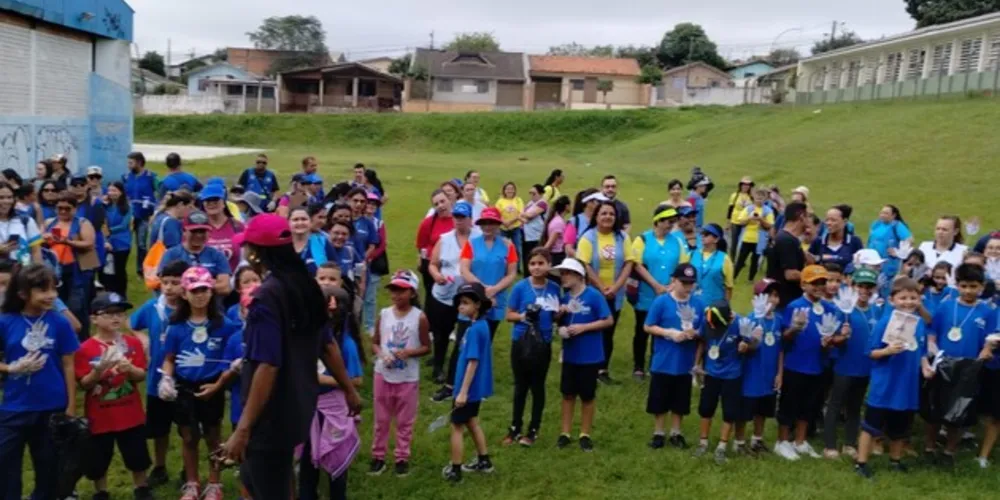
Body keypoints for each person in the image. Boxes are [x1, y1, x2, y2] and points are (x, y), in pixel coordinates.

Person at [223, 214, 362, 500]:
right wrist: (349, 390)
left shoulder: (266, 299)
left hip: (268, 414)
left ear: (257, 254)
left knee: (266, 484)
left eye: (248, 248)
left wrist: (244, 428)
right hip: (299, 404)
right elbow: (328, 345)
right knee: (271, 478)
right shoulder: (308, 288)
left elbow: (268, 365)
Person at [157, 266, 241, 500]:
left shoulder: (223, 324)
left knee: (213, 435)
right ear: (184, 294)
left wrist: (230, 370)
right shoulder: (176, 327)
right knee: (188, 436)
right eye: (194, 291)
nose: (200, 295)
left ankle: (214, 483)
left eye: (204, 290)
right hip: (185, 386)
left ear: (212, 292)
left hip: (212, 384)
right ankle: (192, 482)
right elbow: (169, 359)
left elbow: (237, 345)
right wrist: (166, 378)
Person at [0, 264, 78, 500]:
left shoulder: (60, 322)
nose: (51, 295)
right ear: (23, 294)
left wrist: (71, 407)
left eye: (54, 289)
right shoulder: (5, 321)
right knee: (5, 466)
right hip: (14, 408)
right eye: (43, 290)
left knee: (49, 468)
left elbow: (68, 364)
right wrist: (10, 367)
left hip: (51, 407)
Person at [75, 292, 153, 500]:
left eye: (120, 313)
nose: (116, 318)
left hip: (131, 414)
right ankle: (101, 491)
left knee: (137, 454)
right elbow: (84, 384)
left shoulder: (132, 344)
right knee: (98, 458)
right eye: (109, 314)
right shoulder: (85, 349)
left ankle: (142, 486)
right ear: (94, 319)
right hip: (100, 417)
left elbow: (141, 375)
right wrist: (98, 370)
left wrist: (129, 369)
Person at [853, 278, 933, 479]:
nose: (908, 302)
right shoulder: (885, 323)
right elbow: (870, 353)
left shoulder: (919, 324)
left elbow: (922, 351)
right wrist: (887, 350)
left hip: (908, 385)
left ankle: (895, 460)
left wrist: (925, 367)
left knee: (901, 426)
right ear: (892, 300)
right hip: (886, 384)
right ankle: (861, 462)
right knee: (871, 425)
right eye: (903, 298)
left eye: (913, 298)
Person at [774, 265, 849, 461]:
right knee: (789, 405)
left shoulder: (829, 308)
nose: (819, 286)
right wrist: (795, 328)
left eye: (822, 282)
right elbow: (784, 337)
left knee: (810, 406)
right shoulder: (794, 306)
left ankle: (800, 441)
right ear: (803, 284)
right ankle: (782, 442)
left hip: (818, 364)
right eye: (814, 283)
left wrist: (834, 340)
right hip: (795, 364)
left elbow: (833, 337)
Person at [299, 286, 364, 499]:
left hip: (333, 409)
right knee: (308, 463)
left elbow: (356, 380)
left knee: (336, 462)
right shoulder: (308, 339)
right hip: (309, 407)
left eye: (336, 304)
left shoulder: (346, 345)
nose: (332, 307)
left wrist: (319, 378)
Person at [925, 263, 995, 463]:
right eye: (963, 286)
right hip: (943, 363)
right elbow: (932, 331)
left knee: (959, 410)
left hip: (968, 368)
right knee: (935, 408)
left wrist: (986, 350)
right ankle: (930, 446)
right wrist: (932, 347)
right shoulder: (946, 305)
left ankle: (950, 450)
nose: (968, 291)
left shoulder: (987, 311)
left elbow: (990, 338)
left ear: (981, 287)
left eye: (973, 286)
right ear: (956, 285)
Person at [130, 259, 189, 487]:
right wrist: (142, 337)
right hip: (157, 378)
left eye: (175, 283)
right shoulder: (153, 307)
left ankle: (187, 467)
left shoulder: (190, 308)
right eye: (165, 282)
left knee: (187, 428)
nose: (169, 288)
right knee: (159, 428)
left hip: (184, 377)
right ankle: (160, 465)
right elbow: (132, 323)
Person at [370, 270, 430, 476]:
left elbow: (426, 346)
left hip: (407, 378)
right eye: (393, 290)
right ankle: (378, 456)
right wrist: (381, 355)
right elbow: (375, 343)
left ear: (412, 293)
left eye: (402, 291)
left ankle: (402, 457)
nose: (396, 295)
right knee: (381, 419)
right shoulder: (384, 314)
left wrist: (409, 352)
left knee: (405, 421)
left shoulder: (419, 317)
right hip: (383, 374)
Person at [503, 248, 561, 446]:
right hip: (521, 340)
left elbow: (555, 314)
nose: (536, 267)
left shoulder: (554, 288)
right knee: (520, 386)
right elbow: (508, 314)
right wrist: (522, 316)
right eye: (532, 264)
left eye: (541, 263)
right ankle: (515, 427)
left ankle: (533, 428)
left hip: (542, 342)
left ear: (549, 265)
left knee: (537, 386)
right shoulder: (520, 288)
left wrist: (559, 313)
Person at [554, 258, 613, 452]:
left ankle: (585, 433)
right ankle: (565, 432)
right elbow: (559, 322)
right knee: (567, 393)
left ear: (579, 276)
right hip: (571, 354)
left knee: (587, 395)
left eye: (567, 274)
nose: (563, 278)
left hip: (590, 354)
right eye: (562, 274)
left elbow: (607, 320)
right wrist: (561, 328)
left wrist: (584, 327)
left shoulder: (594, 296)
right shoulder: (564, 298)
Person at [643, 263, 704, 450]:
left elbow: (703, 328)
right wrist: (668, 333)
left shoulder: (698, 303)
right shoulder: (662, 302)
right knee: (660, 397)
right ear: (674, 281)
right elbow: (648, 325)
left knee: (680, 399)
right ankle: (659, 432)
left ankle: (676, 432)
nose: (687, 287)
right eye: (683, 282)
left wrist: (694, 333)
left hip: (684, 360)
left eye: (691, 283)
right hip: (664, 359)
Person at [823, 268, 881, 460]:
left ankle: (849, 443)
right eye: (860, 286)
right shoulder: (843, 309)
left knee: (855, 406)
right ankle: (830, 445)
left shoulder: (876, 310)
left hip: (865, 367)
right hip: (845, 366)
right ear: (852, 286)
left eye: (869, 287)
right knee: (836, 403)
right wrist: (843, 336)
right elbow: (832, 340)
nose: (864, 290)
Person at [575, 200, 635, 384]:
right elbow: (585, 265)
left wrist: (615, 288)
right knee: (592, 331)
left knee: (608, 332)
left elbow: (629, 262)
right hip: (594, 293)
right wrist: (601, 287)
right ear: (596, 217)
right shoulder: (588, 237)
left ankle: (603, 370)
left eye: (611, 214)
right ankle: (587, 368)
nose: (608, 217)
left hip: (615, 293)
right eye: (604, 213)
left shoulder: (622, 238)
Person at [442, 282, 495, 482]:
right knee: (472, 422)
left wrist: (462, 392)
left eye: (465, 303)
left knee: (456, 426)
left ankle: (455, 470)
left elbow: (473, 362)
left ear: (478, 304)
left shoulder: (474, 331)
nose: (460, 307)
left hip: (467, 389)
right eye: (459, 303)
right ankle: (484, 460)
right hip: (474, 389)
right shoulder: (480, 326)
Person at [631, 205, 688, 380]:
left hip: (668, 294)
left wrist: (671, 285)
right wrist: (655, 284)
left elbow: (682, 264)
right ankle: (638, 366)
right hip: (646, 294)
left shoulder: (677, 241)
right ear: (658, 221)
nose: (672, 225)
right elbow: (636, 263)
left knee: (662, 330)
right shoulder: (642, 240)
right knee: (642, 330)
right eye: (669, 222)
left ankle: (656, 364)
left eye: (674, 222)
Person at [693, 300, 751, 464]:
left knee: (729, 411)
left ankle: (722, 446)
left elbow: (751, 343)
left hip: (732, 374)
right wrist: (696, 364)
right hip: (711, 372)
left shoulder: (741, 323)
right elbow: (703, 342)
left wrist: (745, 345)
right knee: (706, 408)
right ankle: (703, 443)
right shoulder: (707, 320)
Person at [427, 202, 478, 386]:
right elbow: (432, 263)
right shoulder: (445, 239)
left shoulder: (478, 238)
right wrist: (436, 275)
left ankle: (462, 368)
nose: (458, 220)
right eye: (456, 216)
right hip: (445, 293)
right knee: (442, 332)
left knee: (465, 333)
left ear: (470, 219)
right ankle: (438, 366)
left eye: (462, 217)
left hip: (468, 295)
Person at [736, 279, 784, 455]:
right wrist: (751, 343)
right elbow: (742, 348)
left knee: (763, 409)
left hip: (769, 374)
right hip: (751, 374)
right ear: (757, 298)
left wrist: (780, 373)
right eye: (768, 295)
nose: (772, 299)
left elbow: (780, 350)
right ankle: (739, 442)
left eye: (775, 295)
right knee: (745, 411)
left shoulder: (778, 320)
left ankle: (757, 439)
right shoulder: (750, 319)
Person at [44, 192, 98, 340]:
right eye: (59, 208)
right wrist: (44, 238)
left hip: (76, 270)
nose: (62, 211)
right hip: (54, 270)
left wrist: (67, 242)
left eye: (67, 208)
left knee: (77, 307)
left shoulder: (82, 223)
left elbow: (89, 243)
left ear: (74, 209)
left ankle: (83, 339)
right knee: (56, 305)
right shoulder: (50, 222)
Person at [459, 207, 518, 341]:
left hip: (496, 299)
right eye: (484, 222)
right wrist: (482, 289)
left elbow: (511, 273)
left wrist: (495, 289)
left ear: (498, 224)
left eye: (491, 222)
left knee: (486, 339)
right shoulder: (471, 244)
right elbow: (464, 269)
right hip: (472, 297)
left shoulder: (508, 246)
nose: (487, 226)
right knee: (464, 341)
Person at [158, 210, 232, 296]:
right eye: (194, 231)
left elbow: (225, 288)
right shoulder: (171, 254)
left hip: (211, 306)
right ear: (184, 231)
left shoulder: (217, 255)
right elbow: (165, 286)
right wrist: (209, 282)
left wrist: (184, 284)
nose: (199, 235)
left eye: (202, 231)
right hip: (178, 305)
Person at [767, 202, 809, 308]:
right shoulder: (787, 240)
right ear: (801, 216)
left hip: (779, 296)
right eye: (807, 216)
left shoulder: (782, 237)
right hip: (787, 299)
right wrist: (813, 277)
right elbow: (790, 274)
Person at [416, 189, 455, 300]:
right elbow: (421, 245)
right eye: (436, 204)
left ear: (450, 200)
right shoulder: (428, 222)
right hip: (433, 267)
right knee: (432, 298)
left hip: (454, 267)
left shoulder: (459, 220)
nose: (440, 206)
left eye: (442, 201)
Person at [124, 152, 158, 277]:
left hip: (144, 215)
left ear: (139, 162)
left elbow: (160, 192)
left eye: (130, 163)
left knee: (142, 244)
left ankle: (142, 269)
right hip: (128, 216)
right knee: (125, 243)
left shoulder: (151, 177)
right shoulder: (126, 177)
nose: (128, 165)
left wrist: (155, 211)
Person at [200, 184, 245, 273]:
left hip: (233, 280)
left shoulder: (237, 226)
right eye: (208, 200)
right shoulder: (198, 227)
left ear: (224, 202)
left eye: (215, 200)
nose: (212, 203)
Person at [733, 188, 775, 282]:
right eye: (757, 197)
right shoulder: (748, 209)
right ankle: (733, 278)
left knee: (755, 261)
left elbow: (770, 225)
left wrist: (760, 219)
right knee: (740, 260)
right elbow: (740, 222)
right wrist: (749, 218)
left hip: (760, 240)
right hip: (747, 238)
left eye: (761, 197)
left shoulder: (768, 211)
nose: (759, 199)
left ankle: (750, 280)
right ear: (754, 198)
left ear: (765, 199)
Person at [810, 205, 864, 274]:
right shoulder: (818, 242)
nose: (828, 223)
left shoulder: (855, 242)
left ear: (845, 221)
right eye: (827, 220)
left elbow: (860, 267)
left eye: (833, 220)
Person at [0, 182, 42, 266]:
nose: (6, 201)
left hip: (22, 274)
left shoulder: (25, 219)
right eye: (1, 197)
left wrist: (38, 275)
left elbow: (36, 251)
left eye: (9, 197)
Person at [691, 223, 734, 306]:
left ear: (716, 239)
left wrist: (725, 307)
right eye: (702, 234)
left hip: (715, 305)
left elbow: (729, 287)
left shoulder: (725, 258)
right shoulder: (693, 254)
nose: (702, 236)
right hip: (694, 304)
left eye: (706, 234)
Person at [364, 192, 389, 335]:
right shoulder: (358, 221)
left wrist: (371, 256)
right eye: (369, 203)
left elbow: (382, 243)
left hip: (374, 263)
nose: (371, 207)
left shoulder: (379, 223)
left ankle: (369, 325)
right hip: (360, 261)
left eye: (374, 205)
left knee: (371, 296)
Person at [102, 181, 132, 296]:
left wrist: (110, 230)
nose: (111, 193)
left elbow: (124, 225)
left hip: (122, 242)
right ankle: (110, 292)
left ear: (121, 192)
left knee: (119, 269)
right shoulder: (106, 206)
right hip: (108, 241)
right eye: (109, 190)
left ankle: (121, 293)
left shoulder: (127, 207)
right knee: (108, 269)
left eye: (114, 190)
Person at [289, 207, 335, 276]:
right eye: (295, 220)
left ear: (310, 222)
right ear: (288, 222)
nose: (300, 223)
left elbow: (334, 270)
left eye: (304, 219)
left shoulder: (322, 242)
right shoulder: (282, 244)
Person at [563, 189, 602, 258]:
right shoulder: (574, 222)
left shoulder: (602, 221)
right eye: (599, 201)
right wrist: (584, 259)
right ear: (588, 202)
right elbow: (568, 249)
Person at [519, 184, 549, 273]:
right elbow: (522, 216)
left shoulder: (542, 203)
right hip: (527, 235)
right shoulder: (530, 203)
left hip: (537, 235)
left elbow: (529, 215)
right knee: (526, 257)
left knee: (535, 256)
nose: (532, 196)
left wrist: (524, 215)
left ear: (540, 194)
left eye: (534, 193)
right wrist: (524, 216)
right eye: (530, 193)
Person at [725, 176, 755, 259]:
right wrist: (728, 222)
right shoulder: (735, 196)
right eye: (744, 184)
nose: (746, 186)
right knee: (734, 241)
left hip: (747, 222)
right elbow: (730, 209)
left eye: (748, 185)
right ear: (740, 185)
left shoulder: (752, 197)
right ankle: (732, 258)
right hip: (735, 221)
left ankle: (741, 259)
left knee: (744, 242)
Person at [495, 181, 524, 263]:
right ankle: (504, 265)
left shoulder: (518, 200)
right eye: (507, 189)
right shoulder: (500, 201)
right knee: (502, 248)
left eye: (512, 189)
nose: (510, 191)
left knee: (517, 248)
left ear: (514, 190)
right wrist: (504, 222)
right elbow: (497, 214)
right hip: (503, 229)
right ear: (504, 190)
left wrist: (510, 222)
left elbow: (520, 213)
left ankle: (517, 266)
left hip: (515, 228)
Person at [541, 195, 571, 268]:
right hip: (557, 256)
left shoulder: (557, 220)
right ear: (566, 206)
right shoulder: (559, 222)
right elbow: (550, 243)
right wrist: (540, 255)